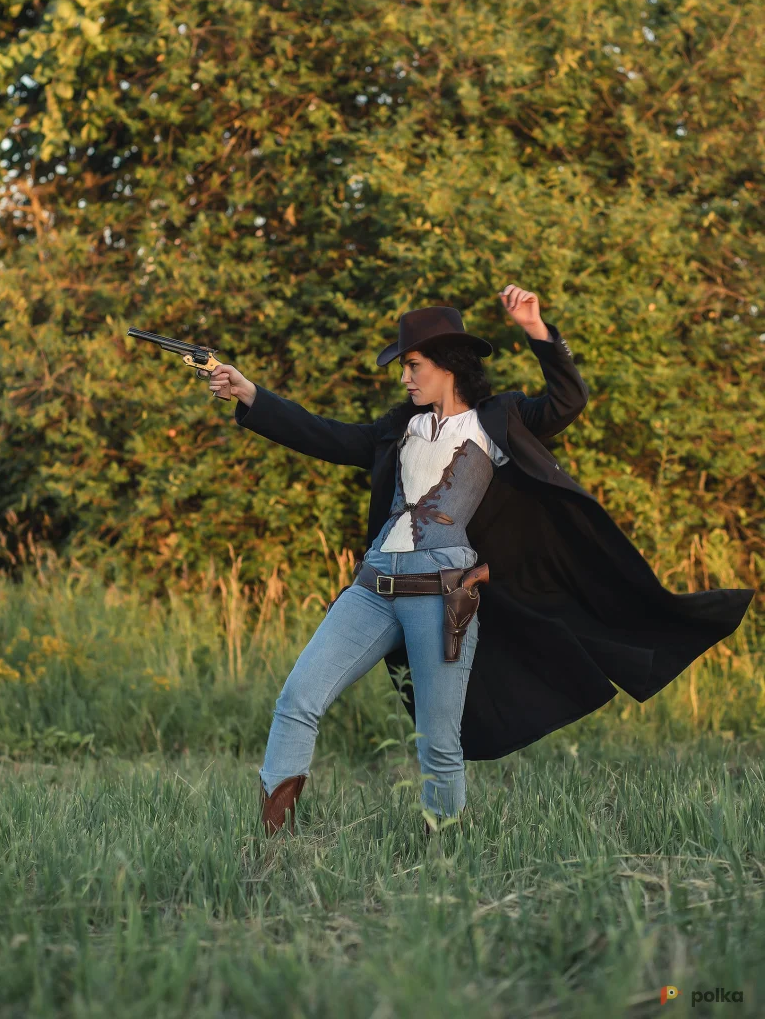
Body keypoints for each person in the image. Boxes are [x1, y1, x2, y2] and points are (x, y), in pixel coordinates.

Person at [209, 285, 754, 837]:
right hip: (371, 590)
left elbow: (567, 401)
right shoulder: (399, 427)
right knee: (298, 698)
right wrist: (250, 393)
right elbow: (325, 436)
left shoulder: (497, 420)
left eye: (413, 365)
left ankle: (442, 851)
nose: (405, 377)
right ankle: (274, 840)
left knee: (438, 739)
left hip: (442, 598)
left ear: (447, 364)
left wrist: (537, 330)